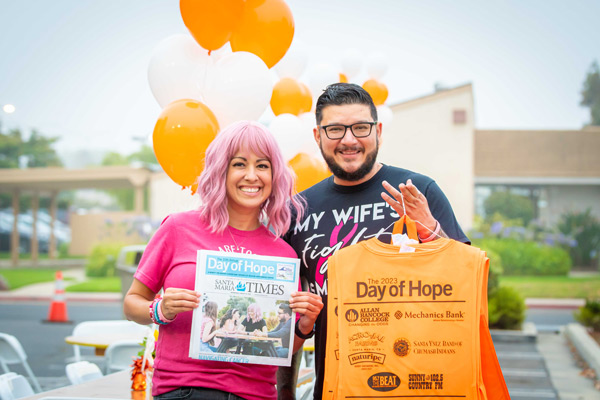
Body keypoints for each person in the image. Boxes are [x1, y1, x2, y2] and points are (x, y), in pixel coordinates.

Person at [285, 83, 470, 399]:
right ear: (318, 136)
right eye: (335, 129)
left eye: (360, 127)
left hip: (420, 387)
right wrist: (284, 393)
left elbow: (465, 285)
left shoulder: (418, 190)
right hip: (336, 388)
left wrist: (430, 230)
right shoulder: (298, 210)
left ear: (378, 131)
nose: (348, 139)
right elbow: (288, 322)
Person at [123, 120, 323, 400]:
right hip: (185, 391)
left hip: (255, 396)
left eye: (263, 165)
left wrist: (304, 324)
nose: (252, 175)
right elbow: (132, 303)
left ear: (275, 175)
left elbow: (280, 348)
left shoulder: (284, 254)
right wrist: (161, 310)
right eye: (239, 164)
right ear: (220, 170)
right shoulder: (178, 229)